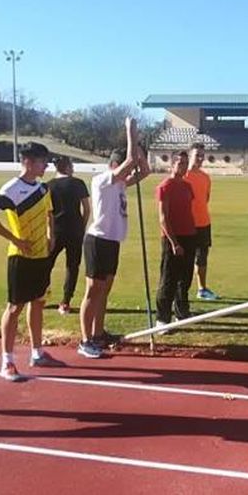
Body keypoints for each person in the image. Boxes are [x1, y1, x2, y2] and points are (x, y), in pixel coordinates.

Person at [0, 141, 65, 381]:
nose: (46, 166)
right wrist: (15, 240)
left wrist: (51, 236)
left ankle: (37, 353)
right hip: (20, 257)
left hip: (41, 256)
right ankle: (7, 361)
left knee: (38, 302)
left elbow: (49, 214)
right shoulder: (12, 189)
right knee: (15, 307)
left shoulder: (43, 189)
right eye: (42, 161)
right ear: (27, 161)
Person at [76, 118, 150, 358]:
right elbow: (129, 164)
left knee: (104, 291)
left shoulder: (120, 185)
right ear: (115, 165)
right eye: (126, 166)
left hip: (112, 242)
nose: (130, 170)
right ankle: (85, 340)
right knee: (92, 291)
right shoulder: (103, 180)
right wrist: (131, 133)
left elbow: (145, 171)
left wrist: (140, 153)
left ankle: (99, 333)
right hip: (97, 240)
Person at [155, 151, 197, 328]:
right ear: (172, 165)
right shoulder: (165, 186)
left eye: (186, 163)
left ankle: (181, 312)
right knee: (168, 280)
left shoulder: (188, 186)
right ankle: (162, 319)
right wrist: (174, 243)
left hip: (189, 236)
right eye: (180, 163)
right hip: (173, 238)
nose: (184, 166)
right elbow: (163, 217)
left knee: (185, 279)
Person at [46, 155, 91, 316]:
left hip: (56, 230)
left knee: (47, 263)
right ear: (67, 167)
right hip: (75, 230)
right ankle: (65, 301)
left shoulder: (48, 186)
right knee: (72, 266)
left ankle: (42, 295)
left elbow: (47, 212)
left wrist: (49, 232)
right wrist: (82, 226)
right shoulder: (78, 183)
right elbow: (87, 209)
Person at [185, 143, 220, 302]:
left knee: (202, 258)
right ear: (189, 155)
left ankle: (202, 289)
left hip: (204, 223)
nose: (200, 158)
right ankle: (182, 291)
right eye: (196, 155)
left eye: (202, 155)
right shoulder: (183, 176)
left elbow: (205, 199)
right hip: (187, 225)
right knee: (185, 260)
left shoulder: (206, 177)